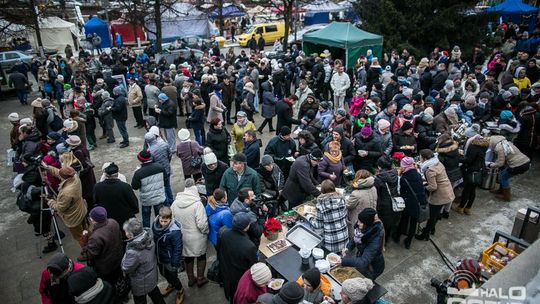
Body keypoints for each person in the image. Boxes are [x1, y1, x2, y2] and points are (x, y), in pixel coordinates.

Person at [171, 178, 210, 287]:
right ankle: (201, 278)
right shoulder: (197, 204)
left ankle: (191, 279)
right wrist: (206, 232)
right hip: (197, 237)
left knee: (188, 258)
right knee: (201, 256)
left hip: (183, 236)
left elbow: (171, 220)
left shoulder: (175, 203)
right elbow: (202, 224)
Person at [42, 165, 89, 251]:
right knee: (86, 231)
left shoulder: (66, 192)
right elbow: (59, 173)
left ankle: (87, 252)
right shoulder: (75, 177)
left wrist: (49, 201)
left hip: (74, 218)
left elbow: (60, 208)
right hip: (81, 210)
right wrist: (47, 168)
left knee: (80, 237)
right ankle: (91, 242)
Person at [121, 218, 165, 304]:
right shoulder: (148, 237)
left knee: (140, 301)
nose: (125, 233)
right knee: (156, 295)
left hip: (140, 282)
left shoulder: (133, 251)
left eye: (125, 232)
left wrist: (125, 254)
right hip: (152, 275)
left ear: (130, 235)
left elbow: (126, 268)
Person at [217, 212, 258, 303]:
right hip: (240, 279)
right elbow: (254, 268)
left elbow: (220, 251)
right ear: (246, 227)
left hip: (226, 271)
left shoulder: (224, 233)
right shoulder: (249, 246)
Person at [416, 149, 455, 241]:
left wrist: (424, 187)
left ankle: (425, 234)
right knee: (436, 214)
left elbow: (433, 187)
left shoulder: (430, 170)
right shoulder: (438, 163)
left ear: (424, 158)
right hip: (447, 191)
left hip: (440, 195)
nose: (420, 159)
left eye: (420, 157)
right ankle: (432, 229)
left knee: (432, 216)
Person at [84, 207, 124, 291]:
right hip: (118, 259)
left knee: (109, 285)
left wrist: (85, 238)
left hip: (105, 267)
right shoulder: (113, 222)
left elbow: (90, 254)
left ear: (94, 220)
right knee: (119, 278)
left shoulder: (96, 237)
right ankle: (122, 290)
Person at [151, 206, 185, 303]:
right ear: (159, 217)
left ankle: (180, 289)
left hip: (170, 260)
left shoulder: (175, 232)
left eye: (166, 221)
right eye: (162, 220)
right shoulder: (155, 224)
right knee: (163, 273)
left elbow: (178, 248)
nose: (163, 223)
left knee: (173, 276)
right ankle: (171, 285)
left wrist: (174, 263)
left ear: (170, 219)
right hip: (159, 257)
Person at [341, 208, 385, 280]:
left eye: (360, 222)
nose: (358, 223)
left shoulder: (375, 239)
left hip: (371, 268)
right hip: (363, 259)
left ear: (367, 224)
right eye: (358, 220)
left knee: (365, 283)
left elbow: (363, 262)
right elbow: (355, 239)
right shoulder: (362, 227)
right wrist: (347, 248)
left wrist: (343, 261)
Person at [93, 163, 139, 231]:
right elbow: (133, 202)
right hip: (125, 218)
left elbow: (96, 202)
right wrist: (135, 211)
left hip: (108, 218)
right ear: (117, 174)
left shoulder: (97, 187)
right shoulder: (125, 187)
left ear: (105, 174)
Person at [306, 180, 349, 252]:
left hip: (331, 244)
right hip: (345, 240)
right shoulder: (342, 200)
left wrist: (308, 216)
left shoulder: (321, 205)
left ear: (322, 191)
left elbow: (317, 225)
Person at [487, 135, 530, 201]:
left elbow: (500, 163)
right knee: (502, 173)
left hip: (518, 165)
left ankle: (507, 197)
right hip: (525, 162)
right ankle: (501, 191)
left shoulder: (499, 147)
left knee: (503, 177)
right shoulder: (507, 143)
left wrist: (490, 165)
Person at [455, 135, 489, 214]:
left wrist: (458, 159)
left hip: (471, 171)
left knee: (466, 190)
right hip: (479, 171)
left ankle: (460, 207)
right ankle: (468, 208)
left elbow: (468, 160)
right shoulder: (484, 147)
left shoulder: (473, 146)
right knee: (473, 190)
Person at [131, 150, 166, 228]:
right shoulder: (160, 167)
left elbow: (134, 186)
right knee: (159, 217)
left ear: (140, 160)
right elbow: (166, 181)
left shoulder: (138, 173)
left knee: (146, 218)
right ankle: (159, 231)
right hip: (158, 196)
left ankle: (147, 233)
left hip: (146, 200)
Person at [374, 156, 401, 244]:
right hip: (394, 200)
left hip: (383, 203)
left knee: (382, 223)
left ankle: (382, 241)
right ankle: (387, 238)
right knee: (390, 222)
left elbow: (376, 192)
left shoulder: (379, 178)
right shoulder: (395, 173)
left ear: (380, 166)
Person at [346, 170, 377, 237]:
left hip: (359, 219)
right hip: (372, 216)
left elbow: (348, 206)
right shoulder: (374, 188)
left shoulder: (356, 194)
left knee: (357, 237)